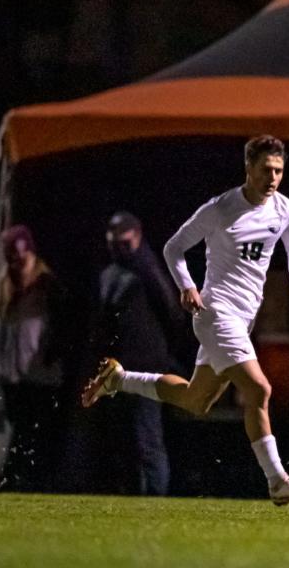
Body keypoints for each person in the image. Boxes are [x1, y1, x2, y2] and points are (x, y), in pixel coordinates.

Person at [81, 135, 289, 504]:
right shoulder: (221, 208)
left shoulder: (285, 209)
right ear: (248, 168)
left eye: (278, 170)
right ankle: (278, 481)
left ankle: (119, 378)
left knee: (196, 401)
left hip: (244, 317)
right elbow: (173, 248)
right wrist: (187, 286)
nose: (272, 178)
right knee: (260, 390)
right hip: (215, 313)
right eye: (265, 170)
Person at [85, 211, 184, 495]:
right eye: (114, 244)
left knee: (146, 438)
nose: (120, 249)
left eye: (124, 243)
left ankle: (154, 496)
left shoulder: (147, 269)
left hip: (145, 367)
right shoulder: (111, 273)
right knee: (124, 439)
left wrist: (161, 354)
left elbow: (173, 313)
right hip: (117, 369)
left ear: (137, 237)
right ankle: (132, 494)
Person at [0, 224, 69, 491]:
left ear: (30, 252)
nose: (17, 263)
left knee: (26, 430)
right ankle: (18, 481)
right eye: (12, 258)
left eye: (21, 256)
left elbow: (63, 328)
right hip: (8, 374)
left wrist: (52, 356)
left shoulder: (47, 286)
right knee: (19, 429)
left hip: (39, 373)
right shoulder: (4, 287)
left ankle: (12, 482)